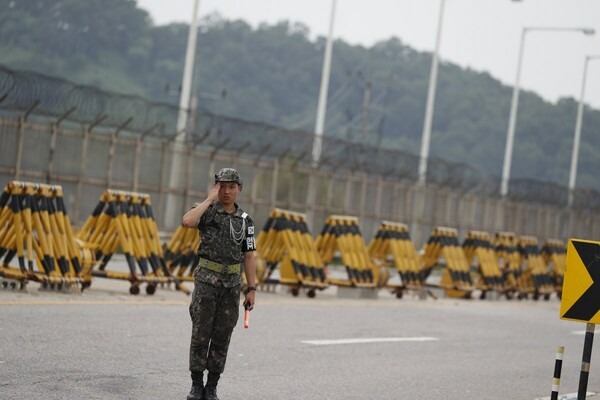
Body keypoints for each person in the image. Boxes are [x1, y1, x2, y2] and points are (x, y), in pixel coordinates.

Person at [182, 168, 257, 400]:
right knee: (201, 333)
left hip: (232, 286)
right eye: (222, 186)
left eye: (231, 187)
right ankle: (196, 385)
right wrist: (208, 199)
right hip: (207, 282)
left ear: (239, 189)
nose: (226, 191)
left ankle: (212, 386)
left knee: (223, 334)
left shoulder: (246, 221)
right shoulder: (206, 211)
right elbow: (187, 222)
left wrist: (251, 289)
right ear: (216, 187)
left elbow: (250, 256)